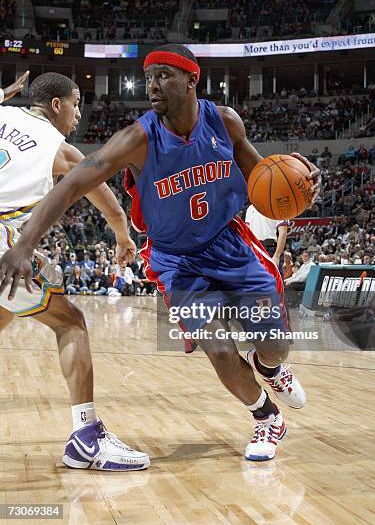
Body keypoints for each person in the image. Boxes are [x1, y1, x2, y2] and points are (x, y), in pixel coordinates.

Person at [0, 46, 321, 462]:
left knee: (273, 344)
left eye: (164, 75)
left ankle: (271, 368)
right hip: (176, 260)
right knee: (219, 349)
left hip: (230, 245)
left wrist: (302, 190)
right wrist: (24, 244)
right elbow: (73, 184)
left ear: (192, 80)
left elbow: (264, 182)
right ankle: (266, 417)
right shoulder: (138, 138)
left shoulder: (224, 121)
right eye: (149, 77)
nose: (152, 85)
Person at [0, 71, 149, 471]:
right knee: (72, 323)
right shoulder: (57, 147)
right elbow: (111, 204)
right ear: (56, 105)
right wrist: (122, 237)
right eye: (76, 103)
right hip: (3, 243)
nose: (79, 114)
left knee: (4, 313)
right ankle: (86, 437)